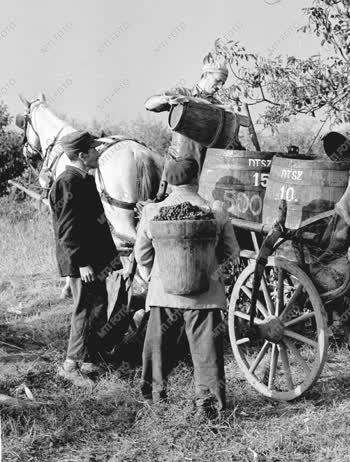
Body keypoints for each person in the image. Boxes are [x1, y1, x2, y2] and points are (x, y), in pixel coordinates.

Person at [134, 158, 239, 419]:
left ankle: (155, 398)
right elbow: (232, 252)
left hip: (164, 293)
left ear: (168, 182)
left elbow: (142, 254)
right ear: (196, 178)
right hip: (205, 296)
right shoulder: (216, 209)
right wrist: (217, 276)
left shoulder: (151, 212)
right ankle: (208, 406)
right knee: (207, 352)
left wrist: (152, 277)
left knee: (156, 346)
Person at [49, 130, 121, 382]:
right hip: (84, 262)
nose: (97, 152)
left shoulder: (84, 178)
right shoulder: (68, 181)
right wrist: (82, 264)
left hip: (96, 260)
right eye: (93, 149)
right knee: (84, 309)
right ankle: (70, 365)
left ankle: (89, 359)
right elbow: (67, 230)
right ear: (82, 155)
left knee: (99, 305)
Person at [144, 52, 242, 189]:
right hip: (178, 171)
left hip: (203, 175)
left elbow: (229, 143)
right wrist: (165, 99)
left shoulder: (219, 110)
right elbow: (149, 104)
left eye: (223, 83)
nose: (220, 87)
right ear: (206, 74)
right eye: (218, 81)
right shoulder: (183, 94)